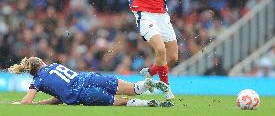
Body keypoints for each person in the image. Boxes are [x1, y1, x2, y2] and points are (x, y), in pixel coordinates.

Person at [8, 57, 174, 107]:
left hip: (83, 94)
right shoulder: (54, 65)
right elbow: (59, 96)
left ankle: (150, 104)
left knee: (122, 102)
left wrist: (25, 104)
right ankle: (146, 84)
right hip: (87, 77)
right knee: (133, 88)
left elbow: (27, 102)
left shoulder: (38, 80)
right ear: (42, 63)